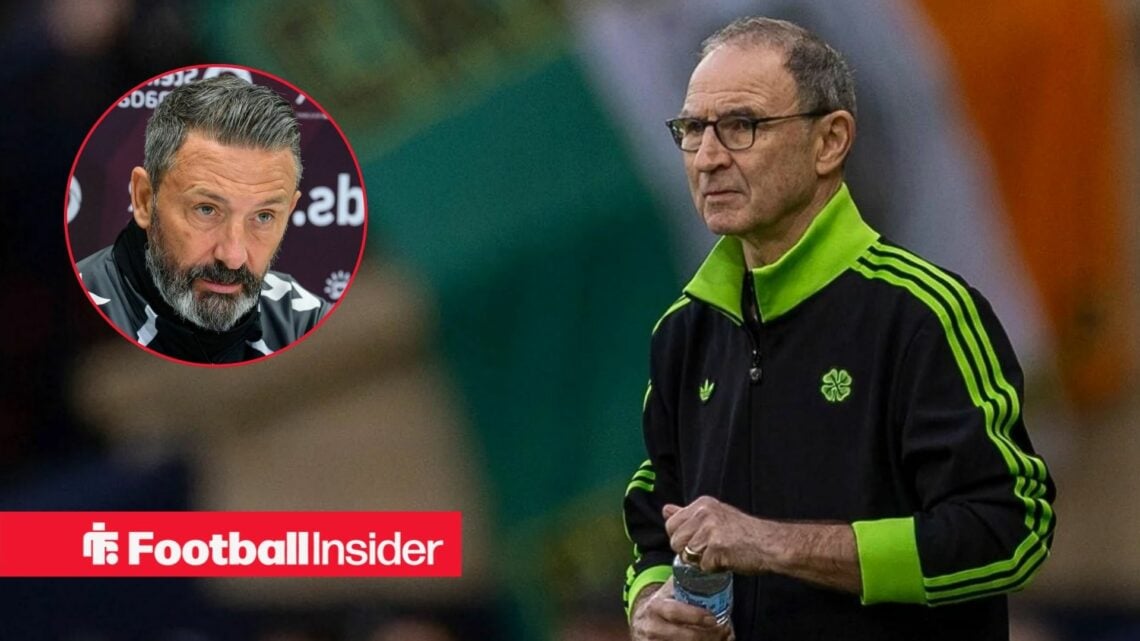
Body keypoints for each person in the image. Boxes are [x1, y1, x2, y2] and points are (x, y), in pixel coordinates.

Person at [622, 16, 1055, 641]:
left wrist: (772, 545)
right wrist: (649, 599)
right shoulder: (683, 330)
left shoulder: (925, 313)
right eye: (692, 130)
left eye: (741, 127)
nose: (709, 157)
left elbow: (1011, 532)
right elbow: (653, 505)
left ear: (830, 141)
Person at [75, 74, 330, 364]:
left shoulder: (307, 318)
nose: (233, 257)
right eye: (206, 210)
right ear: (145, 200)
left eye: (263, 216)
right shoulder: (81, 319)